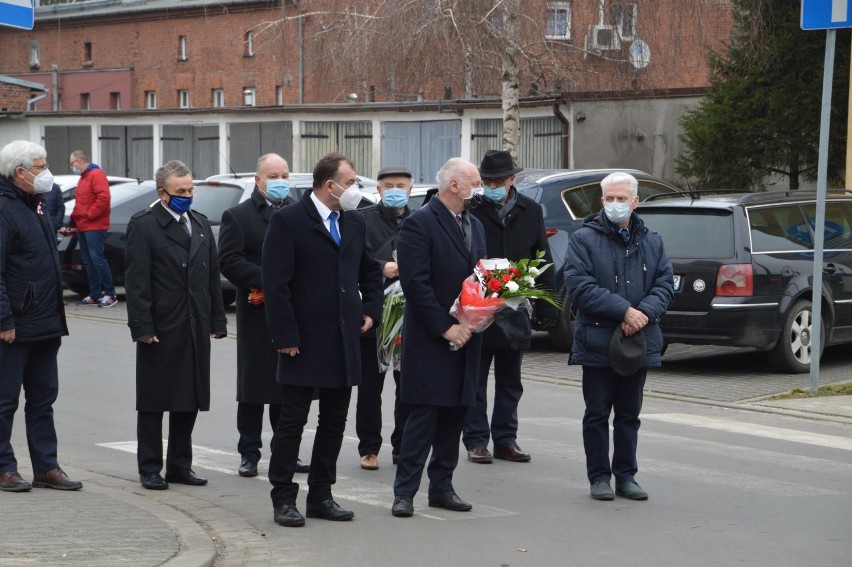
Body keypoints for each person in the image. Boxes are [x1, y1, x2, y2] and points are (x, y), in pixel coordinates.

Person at [262, 152, 383, 527]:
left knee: (334, 420)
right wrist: (285, 335)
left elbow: (370, 270)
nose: (354, 190)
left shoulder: (353, 222)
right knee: (293, 422)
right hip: (302, 339)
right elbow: (276, 283)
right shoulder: (289, 220)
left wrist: (371, 311)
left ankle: (321, 495)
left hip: (343, 338)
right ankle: (283, 497)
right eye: (350, 183)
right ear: (329, 185)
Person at [564, 171, 674, 501]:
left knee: (629, 414)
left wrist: (642, 314)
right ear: (601, 201)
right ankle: (599, 477)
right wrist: (624, 311)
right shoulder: (583, 239)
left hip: (637, 341)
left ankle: (626, 476)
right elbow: (580, 287)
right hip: (598, 339)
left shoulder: (652, 240)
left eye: (621, 199)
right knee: (597, 413)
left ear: (635, 202)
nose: (615, 204)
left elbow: (665, 284)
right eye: (609, 199)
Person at [390, 157, 486, 518]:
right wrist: (445, 326)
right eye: (474, 183)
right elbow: (416, 284)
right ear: (454, 185)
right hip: (433, 337)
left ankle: (442, 487)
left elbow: (480, 275)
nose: (479, 189)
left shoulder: (474, 223)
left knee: (456, 413)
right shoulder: (419, 223)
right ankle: (405, 492)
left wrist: (483, 311)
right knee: (424, 416)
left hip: (469, 335)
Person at [124, 159, 227, 491]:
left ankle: (180, 465)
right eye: (180, 191)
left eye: (190, 189)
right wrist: (143, 326)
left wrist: (217, 319)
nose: (187, 195)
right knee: (154, 400)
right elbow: (136, 281)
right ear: (162, 194)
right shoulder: (144, 225)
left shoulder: (198, 223)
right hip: (162, 324)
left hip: (195, 322)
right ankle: (150, 467)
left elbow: (211, 275)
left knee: (189, 397)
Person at [462, 149, 558, 465]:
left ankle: (506, 439)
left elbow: (542, 257)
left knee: (510, 380)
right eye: (487, 180)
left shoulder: (530, 210)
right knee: (474, 378)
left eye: (499, 180)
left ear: (512, 179)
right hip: (477, 305)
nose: (493, 185)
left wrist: (548, 307)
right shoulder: (471, 208)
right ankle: (476, 440)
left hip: (514, 307)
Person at [218, 153, 309, 477]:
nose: (280, 181)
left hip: (294, 311)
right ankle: (249, 452)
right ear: (258, 180)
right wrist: (269, 279)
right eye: (273, 175)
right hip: (258, 312)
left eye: (285, 175)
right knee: (255, 386)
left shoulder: (300, 214)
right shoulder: (239, 216)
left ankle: (287, 451)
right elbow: (229, 261)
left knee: (289, 386)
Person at [0, 140, 82, 493]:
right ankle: (4, 467)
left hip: (46, 322)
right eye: (40, 165)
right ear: (20, 172)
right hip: (15, 326)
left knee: (43, 400)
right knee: (5, 401)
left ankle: (46, 467)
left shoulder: (35, 204)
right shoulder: (5, 209)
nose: (46, 171)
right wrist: (4, 320)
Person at [355, 165, 413, 470]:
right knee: (369, 386)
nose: (394, 190)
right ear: (378, 190)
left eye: (400, 186)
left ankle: (402, 445)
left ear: (411, 190)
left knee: (407, 385)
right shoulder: (362, 220)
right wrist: (381, 267)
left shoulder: (419, 220)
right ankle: (369, 447)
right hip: (373, 312)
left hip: (409, 315)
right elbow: (352, 257)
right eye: (388, 185)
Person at [69, 150, 117, 307]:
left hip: (94, 225)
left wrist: (89, 215)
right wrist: (75, 217)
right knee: (89, 261)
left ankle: (110, 294)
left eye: (72, 163)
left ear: (80, 161)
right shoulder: (83, 178)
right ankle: (95, 293)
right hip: (83, 225)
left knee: (97, 259)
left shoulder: (96, 174)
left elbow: (103, 198)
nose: (71, 166)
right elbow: (81, 202)